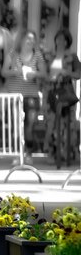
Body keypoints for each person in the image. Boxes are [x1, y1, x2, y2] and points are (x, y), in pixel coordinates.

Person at [3, 29, 47, 163]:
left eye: (33, 39)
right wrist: (16, 71)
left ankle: (28, 153)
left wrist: (34, 73)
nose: (31, 41)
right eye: (28, 38)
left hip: (32, 96)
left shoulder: (37, 55)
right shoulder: (13, 54)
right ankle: (18, 154)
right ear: (21, 40)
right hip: (15, 95)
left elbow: (44, 74)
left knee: (30, 125)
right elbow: (4, 72)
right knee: (17, 125)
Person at [43, 28, 81, 162]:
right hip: (51, 92)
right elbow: (43, 74)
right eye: (58, 39)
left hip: (66, 92)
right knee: (51, 123)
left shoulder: (72, 57)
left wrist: (67, 72)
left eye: (63, 39)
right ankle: (52, 153)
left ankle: (68, 153)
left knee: (68, 123)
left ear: (67, 42)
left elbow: (78, 74)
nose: (60, 41)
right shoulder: (49, 56)